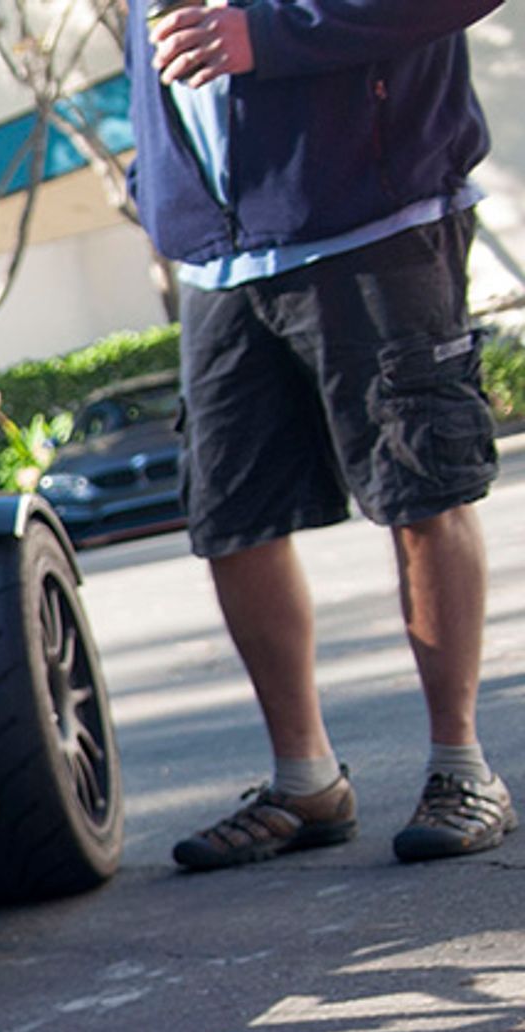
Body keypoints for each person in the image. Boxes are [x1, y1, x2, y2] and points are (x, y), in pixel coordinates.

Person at [130, 2, 512, 869]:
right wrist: (152, 185)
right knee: (232, 520)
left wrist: (267, 35)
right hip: (218, 258)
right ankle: (305, 780)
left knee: (422, 486)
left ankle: (463, 766)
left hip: (372, 215)